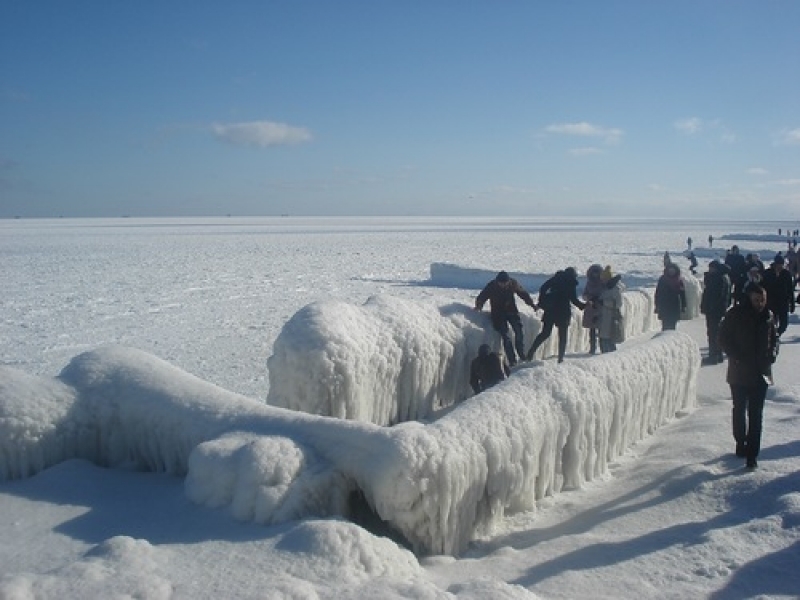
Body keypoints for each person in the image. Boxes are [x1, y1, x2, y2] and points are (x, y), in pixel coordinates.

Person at [717, 284, 779, 469]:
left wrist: (773, 353)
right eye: (756, 300)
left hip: (761, 372)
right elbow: (722, 338)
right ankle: (740, 441)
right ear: (749, 298)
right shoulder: (735, 314)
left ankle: (752, 455)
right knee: (739, 409)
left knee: (756, 414)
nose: (760, 303)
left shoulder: (768, 316)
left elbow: (775, 339)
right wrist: (735, 356)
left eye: (763, 300)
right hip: (740, 371)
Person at [475, 271, 536, 366]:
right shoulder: (492, 286)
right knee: (506, 336)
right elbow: (482, 296)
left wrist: (532, 305)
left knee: (519, 331)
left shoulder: (513, 283)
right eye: (501, 283)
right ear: (497, 281)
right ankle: (512, 360)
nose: (503, 285)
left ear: (508, 282)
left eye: (505, 283)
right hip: (498, 314)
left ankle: (521, 353)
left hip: (511, 311)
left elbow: (523, 294)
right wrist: (479, 305)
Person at [526, 267, 586, 363]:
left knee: (545, 333)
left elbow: (543, 288)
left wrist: (542, 301)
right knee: (562, 336)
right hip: (563, 311)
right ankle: (560, 359)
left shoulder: (556, 278)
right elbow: (574, 300)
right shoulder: (571, 283)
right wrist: (583, 306)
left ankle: (531, 352)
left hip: (550, 310)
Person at [700, 260, 731, 365]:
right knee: (716, 332)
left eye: (711, 268)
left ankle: (713, 355)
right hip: (718, 309)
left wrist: (710, 307)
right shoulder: (724, 277)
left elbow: (715, 295)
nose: (710, 270)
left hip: (714, 310)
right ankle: (718, 354)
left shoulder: (718, 278)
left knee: (713, 332)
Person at [761, 254, 796, 337]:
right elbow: (762, 288)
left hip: (783, 303)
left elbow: (790, 290)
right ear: (775, 264)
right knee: (771, 322)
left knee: (784, 324)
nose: (780, 266)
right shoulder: (767, 273)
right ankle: (771, 337)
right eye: (778, 265)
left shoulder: (786, 274)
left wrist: (792, 303)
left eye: (781, 265)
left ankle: (777, 334)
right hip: (771, 303)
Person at [597, 266, 625, 353]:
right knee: (605, 339)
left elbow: (618, 303)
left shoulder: (615, 289)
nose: (602, 281)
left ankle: (611, 357)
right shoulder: (606, 287)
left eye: (603, 279)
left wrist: (604, 302)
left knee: (609, 340)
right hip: (604, 318)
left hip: (611, 318)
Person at [655, 262, 687, 331]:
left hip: (675, 305)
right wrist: (657, 305)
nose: (671, 272)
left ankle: (670, 337)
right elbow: (658, 293)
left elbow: (682, 294)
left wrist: (684, 306)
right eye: (670, 270)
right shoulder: (663, 280)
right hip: (664, 305)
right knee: (665, 324)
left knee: (672, 324)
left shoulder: (679, 281)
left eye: (673, 270)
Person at [581, 264, 605, 354]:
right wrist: (589, 298)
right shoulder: (589, 283)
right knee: (592, 330)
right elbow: (584, 294)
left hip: (600, 308)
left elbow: (605, 293)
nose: (595, 275)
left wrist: (599, 299)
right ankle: (592, 348)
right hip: (591, 308)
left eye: (596, 273)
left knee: (601, 329)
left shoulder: (603, 283)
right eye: (593, 273)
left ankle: (603, 347)